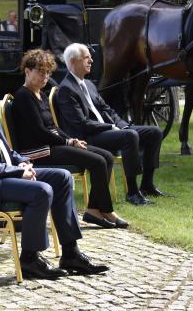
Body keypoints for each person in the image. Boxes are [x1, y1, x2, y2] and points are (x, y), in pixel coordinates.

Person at [0, 48, 109, 280]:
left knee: (62, 177)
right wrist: (16, 171)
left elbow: (4, 149)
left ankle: (70, 253)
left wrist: (22, 162)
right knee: (41, 190)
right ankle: (30, 259)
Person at [11, 49, 128, 228]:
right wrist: (67, 142)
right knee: (97, 161)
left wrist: (72, 139)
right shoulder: (23, 97)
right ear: (28, 71)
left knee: (106, 157)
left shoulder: (40, 94)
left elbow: (53, 127)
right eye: (41, 72)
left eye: (48, 72)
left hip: (50, 145)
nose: (45, 77)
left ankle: (94, 210)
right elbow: (39, 132)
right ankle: (105, 211)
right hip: (37, 151)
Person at [56, 43, 169, 206]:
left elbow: (107, 109)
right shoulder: (65, 90)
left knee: (155, 132)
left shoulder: (88, 84)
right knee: (130, 136)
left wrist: (122, 125)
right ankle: (132, 192)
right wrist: (111, 127)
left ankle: (147, 185)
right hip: (89, 137)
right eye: (87, 58)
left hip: (107, 130)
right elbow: (82, 124)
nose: (91, 61)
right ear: (74, 62)